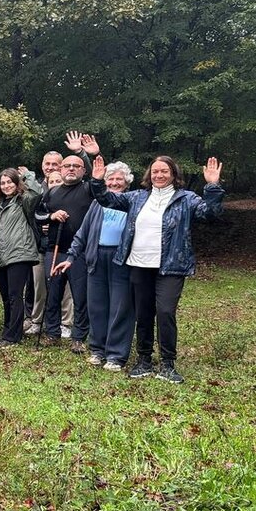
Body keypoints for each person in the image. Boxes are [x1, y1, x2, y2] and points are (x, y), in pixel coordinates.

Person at [89, 153, 224, 383]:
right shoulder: (137, 198)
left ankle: (168, 364)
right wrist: (97, 180)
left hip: (171, 266)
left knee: (165, 311)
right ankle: (143, 360)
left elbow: (210, 214)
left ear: (173, 174)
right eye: (155, 172)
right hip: (139, 264)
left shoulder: (186, 199)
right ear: (149, 175)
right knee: (143, 313)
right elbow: (106, 199)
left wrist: (212, 186)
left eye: (164, 171)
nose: (159, 175)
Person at [52, 161, 136, 369]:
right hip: (96, 257)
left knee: (120, 307)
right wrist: (71, 258)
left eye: (119, 179)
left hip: (121, 259)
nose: (115, 182)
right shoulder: (97, 203)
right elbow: (83, 233)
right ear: (105, 181)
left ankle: (116, 355)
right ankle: (98, 350)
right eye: (111, 178)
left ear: (127, 182)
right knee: (97, 307)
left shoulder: (132, 202)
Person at [38, 133, 99, 352]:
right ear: (60, 170)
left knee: (80, 296)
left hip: (80, 253)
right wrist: (51, 216)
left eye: (76, 166)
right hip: (54, 250)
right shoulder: (52, 192)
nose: (71, 169)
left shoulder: (88, 189)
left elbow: (99, 177)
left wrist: (85, 154)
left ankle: (78, 337)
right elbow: (38, 214)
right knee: (52, 293)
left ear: (83, 170)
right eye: (67, 166)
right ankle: (52, 332)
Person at [0, 167, 41, 345]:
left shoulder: (22, 201)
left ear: (16, 183)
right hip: (1, 255)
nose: (6, 186)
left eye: (10, 182)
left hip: (19, 253)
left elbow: (36, 192)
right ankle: (8, 330)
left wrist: (28, 174)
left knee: (14, 295)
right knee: (5, 296)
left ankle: (13, 336)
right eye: (2, 183)